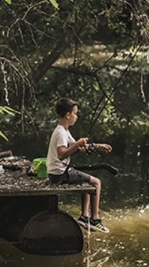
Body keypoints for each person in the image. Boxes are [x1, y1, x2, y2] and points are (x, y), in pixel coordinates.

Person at [46, 97, 113, 233]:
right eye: (75, 113)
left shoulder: (64, 130)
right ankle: (95, 219)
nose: (76, 117)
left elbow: (80, 147)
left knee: (86, 181)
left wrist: (98, 146)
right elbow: (62, 154)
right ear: (68, 115)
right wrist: (77, 144)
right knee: (96, 183)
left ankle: (85, 217)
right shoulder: (60, 133)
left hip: (58, 172)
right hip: (60, 174)